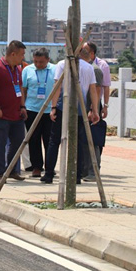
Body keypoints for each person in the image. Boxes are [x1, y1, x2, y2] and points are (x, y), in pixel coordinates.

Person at [41, 56, 100, 184]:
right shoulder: (88, 67)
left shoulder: (62, 64)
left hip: (63, 107)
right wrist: (95, 109)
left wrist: (53, 107)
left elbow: (57, 86)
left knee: (54, 141)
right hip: (81, 109)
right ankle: (76, 175)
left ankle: (49, 174)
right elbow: (93, 90)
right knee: (78, 142)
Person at [0, 40, 28, 183]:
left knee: (18, 143)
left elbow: (19, 88)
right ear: (13, 54)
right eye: (21, 54)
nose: (23, 57)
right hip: (1, 115)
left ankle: (11, 170)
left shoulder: (18, 69)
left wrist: (22, 106)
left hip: (16, 114)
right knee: (0, 144)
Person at [21, 48, 55, 177]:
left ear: (48, 60)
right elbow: (23, 89)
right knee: (33, 139)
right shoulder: (27, 70)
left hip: (49, 111)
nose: (38, 64)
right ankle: (36, 166)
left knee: (49, 140)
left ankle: (50, 166)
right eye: (35, 61)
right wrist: (22, 106)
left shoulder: (55, 70)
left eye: (41, 62)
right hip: (32, 109)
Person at [80, 42, 109, 182]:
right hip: (83, 109)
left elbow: (97, 91)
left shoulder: (95, 69)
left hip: (91, 109)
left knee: (92, 141)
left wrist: (93, 109)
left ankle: (93, 171)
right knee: (83, 141)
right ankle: (84, 170)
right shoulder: (84, 67)